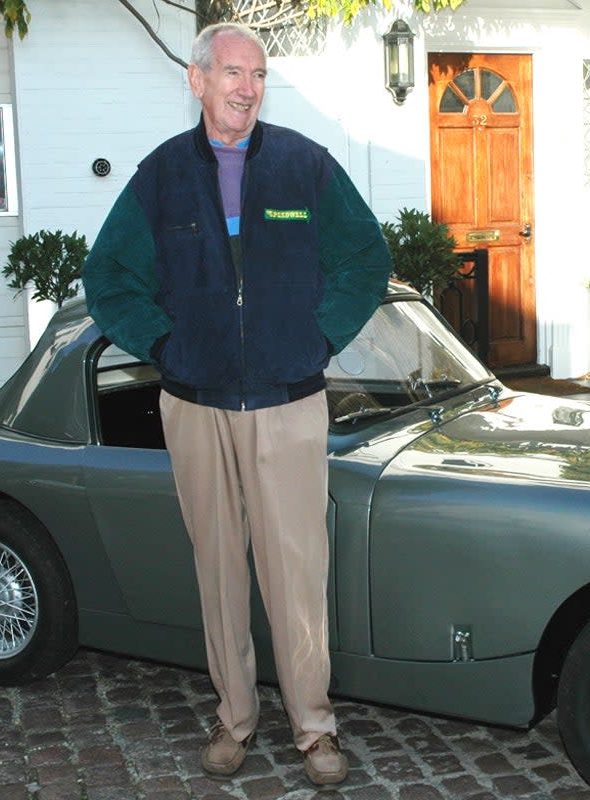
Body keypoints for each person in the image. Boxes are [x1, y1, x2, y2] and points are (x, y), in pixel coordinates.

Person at [81, 21, 392, 786]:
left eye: (257, 75)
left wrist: (316, 339)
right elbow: (108, 276)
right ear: (198, 81)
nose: (247, 88)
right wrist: (165, 346)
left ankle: (315, 731)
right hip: (195, 403)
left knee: (296, 571)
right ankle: (233, 719)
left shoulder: (304, 167)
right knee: (219, 568)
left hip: (289, 401)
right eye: (231, 73)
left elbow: (366, 258)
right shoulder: (159, 176)